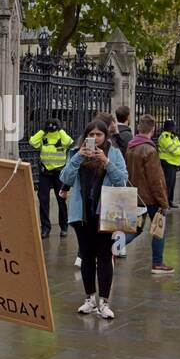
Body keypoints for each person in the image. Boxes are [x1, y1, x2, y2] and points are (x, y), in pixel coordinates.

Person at [59, 117, 128, 318]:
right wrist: (78, 157)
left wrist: (106, 162)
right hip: (82, 215)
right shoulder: (75, 153)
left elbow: (122, 180)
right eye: (91, 135)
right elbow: (64, 178)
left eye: (99, 134)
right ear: (85, 136)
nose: (95, 138)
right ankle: (89, 298)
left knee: (105, 257)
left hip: (106, 212)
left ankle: (104, 302)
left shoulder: (114, 154)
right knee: (87, 257)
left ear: (105, 136)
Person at [126, 114, 173, 273]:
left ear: (139, 128)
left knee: (135, 229)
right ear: (153, 129)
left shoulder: (131, 147)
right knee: (159, 230)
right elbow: (156, 179)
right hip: (151, 200)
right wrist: (163, 202)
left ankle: (110, 248)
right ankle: (157, 263)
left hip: (136, 197)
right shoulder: (150, 150)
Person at [29, 117, 73, 238]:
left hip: (59, 173)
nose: (52, 128)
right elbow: (32, 142)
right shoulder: (43, 136)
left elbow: (69, 142)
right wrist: (43, 130)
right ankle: (45, 228)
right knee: (43, 201)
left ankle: (64, 227)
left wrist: (60, 129)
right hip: (45, 173)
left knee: (61, 200)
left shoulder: (61, 136)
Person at [157, 120, 180, 207]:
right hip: (167, 162)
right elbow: (172, 149)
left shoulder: (173, 136)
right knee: (167, 184)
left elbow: (179, 146)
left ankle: (170, 201)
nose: (174, 129)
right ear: (169, 128)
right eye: (173, 127)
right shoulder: (164, 137)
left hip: (173, 163)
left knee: (172, 183)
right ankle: (165, 203)